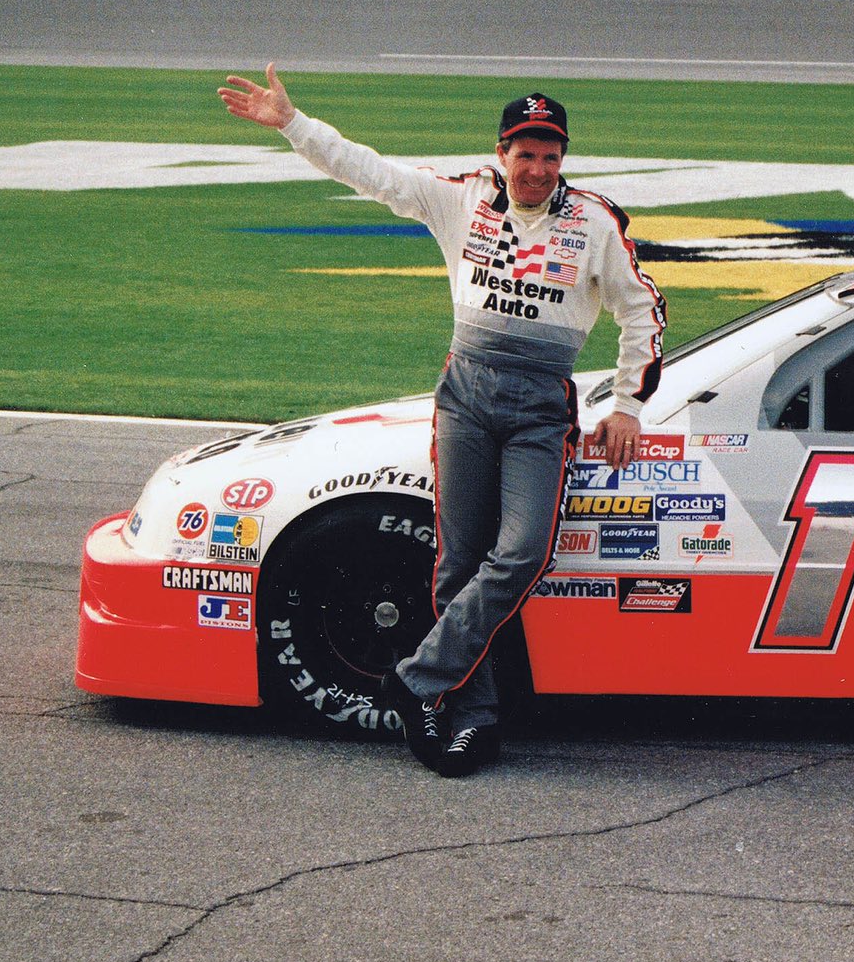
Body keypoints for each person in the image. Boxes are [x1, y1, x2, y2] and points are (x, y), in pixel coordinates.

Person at [216, 68, 666, 777]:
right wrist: (293, 123)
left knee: (522, 553)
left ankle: (416, 678)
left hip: (540, 408)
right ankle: (475, 718)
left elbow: (642, 309)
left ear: (563, 159)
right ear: (501, 152)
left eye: (551, 156)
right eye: (526, 154)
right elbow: (371, 172)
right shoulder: (461, 197)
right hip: (465, 397)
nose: (538, 169)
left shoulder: (594, 221)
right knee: (457, 563)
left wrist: (629, 407)